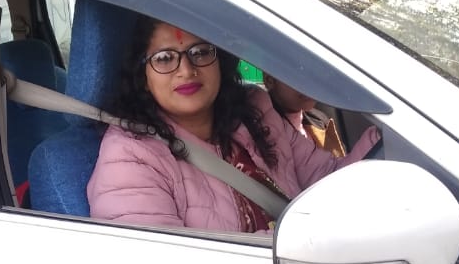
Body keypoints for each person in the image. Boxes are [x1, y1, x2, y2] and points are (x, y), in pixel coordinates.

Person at [87, 18, 380, 233]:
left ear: (220, 60)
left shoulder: (255, 112)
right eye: (165, 58)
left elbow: (327, 180)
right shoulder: (129, 156)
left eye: (200, 52)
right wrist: (311, 235)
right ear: (143, 76)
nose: (187, 70)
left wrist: (381, 149)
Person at [263, 72, 346, 158]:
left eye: (314, 73)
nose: (310, 82)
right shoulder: (261, 133)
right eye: (297, 74)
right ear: (270, 80)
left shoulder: (320, 120)